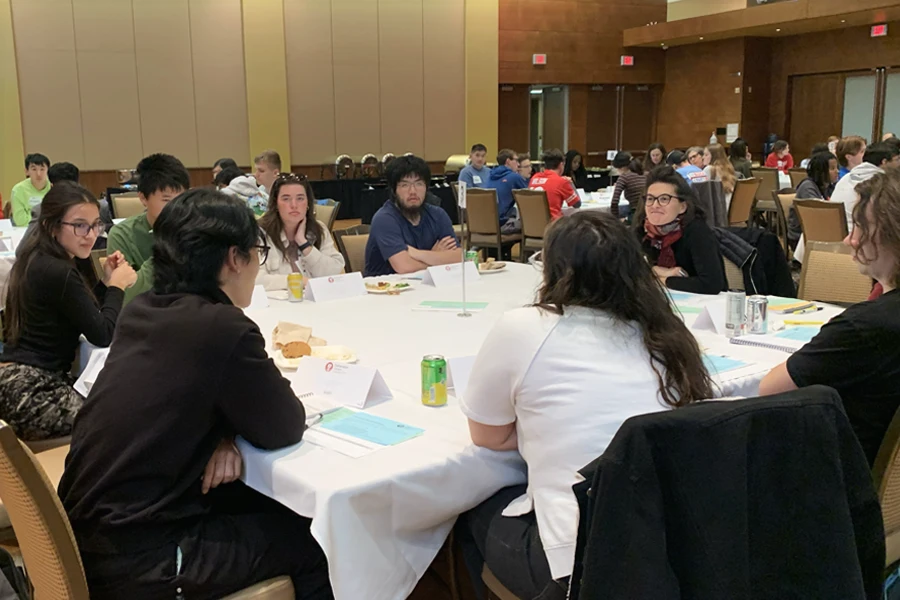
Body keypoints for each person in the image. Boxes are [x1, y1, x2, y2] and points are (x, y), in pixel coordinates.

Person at [58, 189, 332, 599]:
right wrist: (230, 428)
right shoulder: (222, 328)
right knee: (315, 543)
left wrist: (223, 434)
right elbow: (284, 425)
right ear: (232, 259)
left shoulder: (143, 309)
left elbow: (175, 399)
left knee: (249, 501)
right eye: (255, 250)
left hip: (81, 536)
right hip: (143, 559)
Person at [457, 210, 714, 600]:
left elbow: (487, 435)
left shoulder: (525, 327)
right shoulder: (667, 335)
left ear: (555, 272)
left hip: (580, 565)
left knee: (466, 504)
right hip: (672, 549)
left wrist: (542, 430)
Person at [759, 170, 900, 466]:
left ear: (891, 236)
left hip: (839, 478)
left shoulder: (866, 326)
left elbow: (769, 389)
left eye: (860, 228)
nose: (849, 240)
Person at [0, 182, 136, 441]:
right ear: (52, 227)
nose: (90, 234)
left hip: (13, 379)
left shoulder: (38, 258)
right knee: (127, 416)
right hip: (31, 392)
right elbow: (103, 333)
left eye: (96, 224)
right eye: (79, 225)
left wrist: (106, 284)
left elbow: (81, 311)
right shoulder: (58, 270)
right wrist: (117, 286)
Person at [107, 153, 190, 305]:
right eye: (166, 200)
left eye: (181, 199)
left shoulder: (193, 227)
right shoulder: (123, 235)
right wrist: (167, 245)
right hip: (147, 317)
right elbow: (124, 297)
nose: (176, 207)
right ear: (143, 198)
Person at [636, 166, 726, 294]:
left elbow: (711, 284)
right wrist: (660, 271)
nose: (655, 205)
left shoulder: (696, 231)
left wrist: (663, 280)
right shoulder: (643, 230)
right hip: (657, 302)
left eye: (664, 199)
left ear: (682, 207)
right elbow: (627, 271)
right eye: (650, 199)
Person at [364, 155, 459, 277]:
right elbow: (404, 267)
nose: (413, 191)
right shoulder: (384, 219)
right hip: (386, 290)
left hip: (426, 287)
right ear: (394, 190)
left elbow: (458, 257)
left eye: (419, 184)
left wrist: (418, 254)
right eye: (405, 185)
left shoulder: (438, 214)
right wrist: (437, 258)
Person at [257, 173, 345, 290]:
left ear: (308, 203)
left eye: (300, 198)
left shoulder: (319, 229)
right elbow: (254, 279)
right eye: (286, 199)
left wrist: (305, 245)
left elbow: (335, 271)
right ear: (276, 204)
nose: (294, 205)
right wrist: (298, 281)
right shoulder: (259, 233)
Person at [790, 151, 839, 247]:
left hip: (820, 231)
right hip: (801, 237)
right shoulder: (808, 187)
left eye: (837, 168)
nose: (837, 171)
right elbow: (816, 215)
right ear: (821, 171)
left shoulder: (830, 187)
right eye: (832, 168)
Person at [528, 149, 581, 220]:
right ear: (561, 165)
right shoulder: (561, 181)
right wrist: (570, 183)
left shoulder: (534, 177)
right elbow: (577, 204)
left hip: (532, 222)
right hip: (553, 225)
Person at [484, 149, 527, 233]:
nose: (518, 164)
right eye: (516, 160)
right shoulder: (514, 177)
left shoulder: (489, 176)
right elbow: (530, 197)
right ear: (508, 161)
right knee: (529, 225)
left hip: (487, 224)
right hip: (503, 224)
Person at [10, 153, 51, 226]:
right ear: (26, 171)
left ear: (48, 170)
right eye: (34, 169)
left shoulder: (53, 187)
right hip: (25, 230)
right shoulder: (18, 190)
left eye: (42, 169)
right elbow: (20, 220)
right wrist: (45, 221)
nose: (38, 174)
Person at [610, 151, 644, 220]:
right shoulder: (646, 174)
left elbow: (614, 202)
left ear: (621, 168)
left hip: (636, 214)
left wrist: (616, 219)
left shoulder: (624, 177)